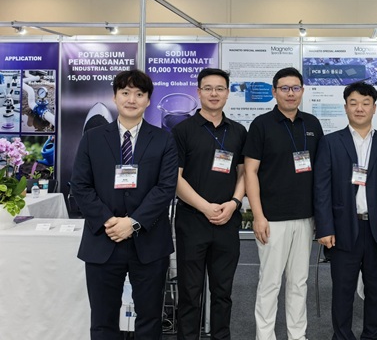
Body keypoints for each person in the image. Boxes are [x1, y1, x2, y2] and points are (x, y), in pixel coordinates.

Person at [71, 69, 178, 339]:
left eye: (139, 94)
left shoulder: (164, 139)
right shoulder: (92, 138)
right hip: (103, 239)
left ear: (148, 100)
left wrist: (133, 223)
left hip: (149, 242)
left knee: (149, 319)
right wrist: (109, 221)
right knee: (103, 320)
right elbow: (80, 186)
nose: (132, 99)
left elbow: (165, 187)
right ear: (115, 97)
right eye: (126, 93)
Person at [243, 67, 324, 340]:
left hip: (305, 217)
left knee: (299, 282)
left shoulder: (312, 124)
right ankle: (265, 336)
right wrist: (258, 216)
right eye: (285, 88)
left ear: (302, 91)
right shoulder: (261, 124)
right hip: (272, 219)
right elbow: (250, 172)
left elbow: (320, 173)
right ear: (274, 91)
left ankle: (297, 335)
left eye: (295, 88)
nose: (291, 93)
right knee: (270, 282)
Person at [172, 68, 247, 340]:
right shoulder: (182, 130)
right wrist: (205, 207)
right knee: (190, 292)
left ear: (227, 93)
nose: (214, 94)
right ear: (199, 92)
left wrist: (234, 203)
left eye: (220, 88)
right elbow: (175, 179)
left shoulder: (239, 131)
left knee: (223, 292)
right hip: (192, 220)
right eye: (208, 88)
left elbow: (244, 173)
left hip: (227, 220)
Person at [314, 82, 377, 340]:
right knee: (342, 290)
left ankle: (374, 335)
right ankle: (342, 336)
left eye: (366, 103)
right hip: (342, 227)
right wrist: (325, 227)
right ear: (345, 107)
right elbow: (321, 188)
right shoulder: (330, 142)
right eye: (354, 103)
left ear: (374, 107)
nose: (360, 108)